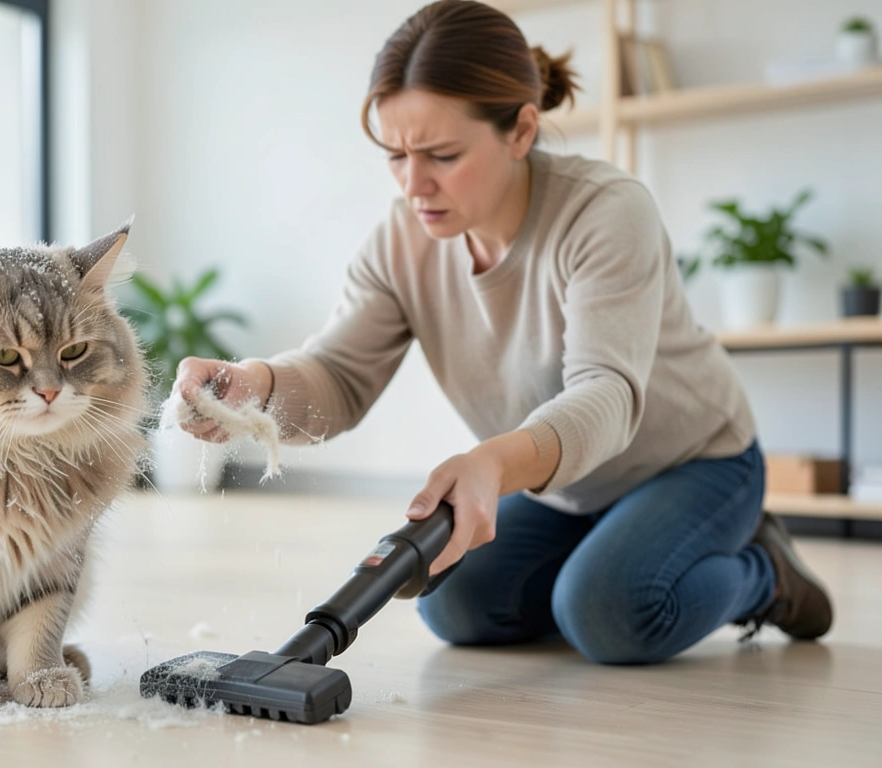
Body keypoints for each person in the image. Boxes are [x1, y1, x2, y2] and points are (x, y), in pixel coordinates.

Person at [171, 0, 832, 664]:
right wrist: (251, 390)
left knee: (610, 613)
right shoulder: (401, 243)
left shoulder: (604, 213)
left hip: (695, 463)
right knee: (453, 603)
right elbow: (338, 377)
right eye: (396, 155)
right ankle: (612, 560)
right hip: (570, 485)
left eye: (442, 155)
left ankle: (763, 574)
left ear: (520, 131)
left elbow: (607, 394)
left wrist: (490, 462)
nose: (413, 184)